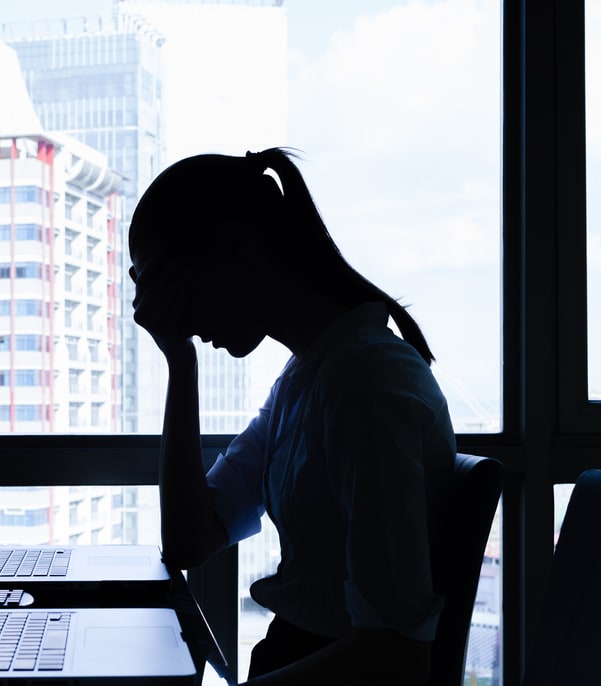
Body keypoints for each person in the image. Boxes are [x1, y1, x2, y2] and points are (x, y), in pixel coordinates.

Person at [129, 147, 456, 685]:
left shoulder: (364, 384)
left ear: (234, 246)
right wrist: (178, 360)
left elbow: (395, 657)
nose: (171, 311)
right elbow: (189, 539)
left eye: (168, 283)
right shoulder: (308, 379)